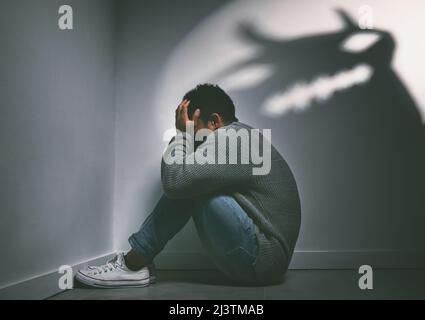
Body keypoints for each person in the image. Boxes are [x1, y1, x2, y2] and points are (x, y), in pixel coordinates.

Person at [75, 84, 301, 287]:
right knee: (192, 181)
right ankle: (135, 263)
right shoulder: (242, 136)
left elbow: (175, 182)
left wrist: (182, 134)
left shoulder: (232, 139)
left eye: (196, 131)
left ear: (214, 121)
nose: (194, 140)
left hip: (262, 262)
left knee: (189, 185)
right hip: (261, 259)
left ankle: (133, 264)